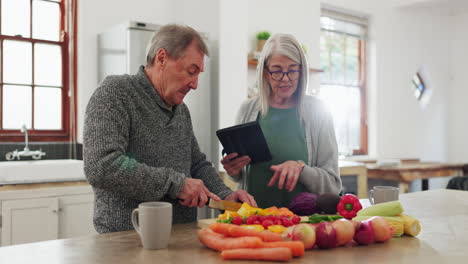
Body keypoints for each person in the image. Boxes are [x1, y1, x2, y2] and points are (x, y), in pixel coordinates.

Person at [84, 24, 256, 233]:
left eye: (199, 74)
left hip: (181, 238)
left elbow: (196, 164)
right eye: (191, 71)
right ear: (162, 58)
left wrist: (225, 194)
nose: (195, 84)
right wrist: (176, 184)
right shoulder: (115, 93)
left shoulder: (181, 110)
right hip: (126, 239)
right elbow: (102, 166)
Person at [221, 33, 342, 208]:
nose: (285, 79)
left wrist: (301, 169)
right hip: (254, 219)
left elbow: (333, 184)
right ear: (265, 73)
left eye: (292, 70)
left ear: (301, 72)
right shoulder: (247, 109)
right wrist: (233, 169)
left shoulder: (318, 112)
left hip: (302, 224)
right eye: (277, 71)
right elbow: (240, 175)